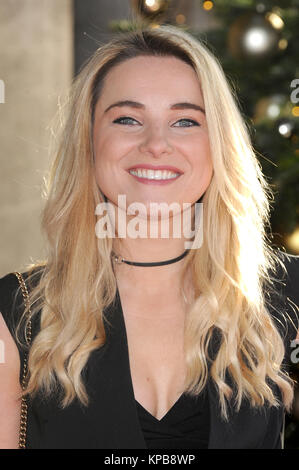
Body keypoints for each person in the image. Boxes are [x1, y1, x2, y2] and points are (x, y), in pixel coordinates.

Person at [0, 24, 298, 450]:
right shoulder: (14, 315)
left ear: (218, 145)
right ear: (88, 142)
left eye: (184, 120)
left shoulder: (287, 297)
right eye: (127, 118)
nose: (156, 144)